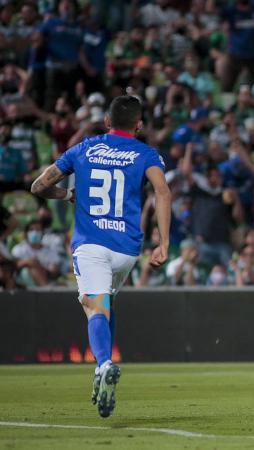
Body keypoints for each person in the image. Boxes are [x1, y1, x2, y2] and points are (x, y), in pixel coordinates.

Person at [30, 96, 171, 418]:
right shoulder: (146, 153)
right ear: (139, 125)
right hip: (127, 250)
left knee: (95, 306)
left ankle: (104, 365)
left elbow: (39, 185)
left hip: (91, 244)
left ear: (107, 121)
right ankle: (102, 365)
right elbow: (163, 192)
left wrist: (67, 195)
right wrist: (163, 242)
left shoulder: (83, 148)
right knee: (106, 301)